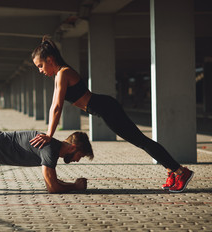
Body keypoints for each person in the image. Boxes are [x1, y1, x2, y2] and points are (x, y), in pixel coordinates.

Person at [29, 36, 194, 193]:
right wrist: (48, 133)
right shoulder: (58, 75)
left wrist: (49, 135)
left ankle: (180, 172)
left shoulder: (63, 73)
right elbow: (53, 107)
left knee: (141, 141)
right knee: (140, 141)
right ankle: (172, 171)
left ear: (50, 60)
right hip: (104, 109)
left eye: (40, 66)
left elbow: (57, 106)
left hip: (106, 108)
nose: (40, 70)